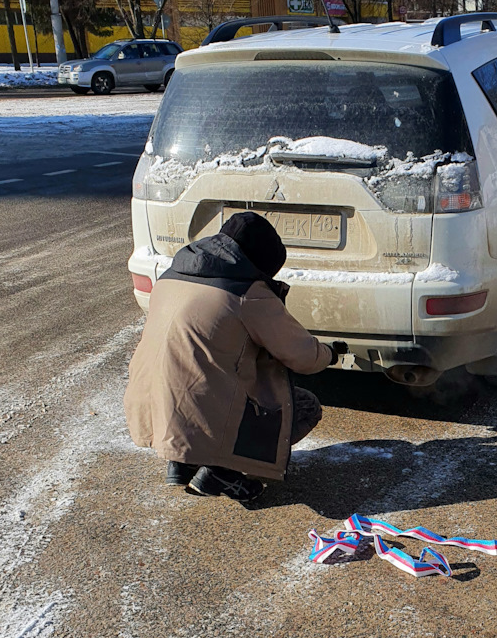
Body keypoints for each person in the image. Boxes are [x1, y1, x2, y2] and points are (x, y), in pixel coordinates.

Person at [124, 211, 342, 503]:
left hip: (148, 404)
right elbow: (302, 356)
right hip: (200, 412)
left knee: (203, 377)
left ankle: (183, 460)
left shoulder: (172, 275)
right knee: (304, 406)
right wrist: (330, 354)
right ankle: (223, 471)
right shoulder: (246, 292)